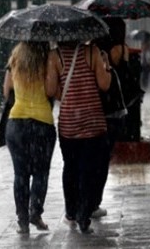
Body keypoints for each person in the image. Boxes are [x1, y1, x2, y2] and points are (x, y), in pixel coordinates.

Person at [46, 40, 111, 234]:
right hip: (93, 121)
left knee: (71, 167)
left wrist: (67, 93)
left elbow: (50, 90)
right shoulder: (92, 52)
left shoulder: (54, 56)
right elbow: (104, 84)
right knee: (89, 169)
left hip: (69, 124)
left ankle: (71, 212)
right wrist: (105, 66)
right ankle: (84, 214)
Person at [2, 41, 59, 234]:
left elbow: (6, 90)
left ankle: (23, 221)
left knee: (20, 174)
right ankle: (36, 212)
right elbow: (51, 90)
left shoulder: (15, 58)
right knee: (40, 173)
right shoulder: (47, 59)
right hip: (42, 123)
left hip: (16, 123)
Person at [91, 18, 131, 219]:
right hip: (115, 111)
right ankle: (94, 201)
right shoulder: (121, 49)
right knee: (103, 160)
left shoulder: (95, 50)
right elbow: (126, 77)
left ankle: (87, 200)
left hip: (96, 109)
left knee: (91, 158)